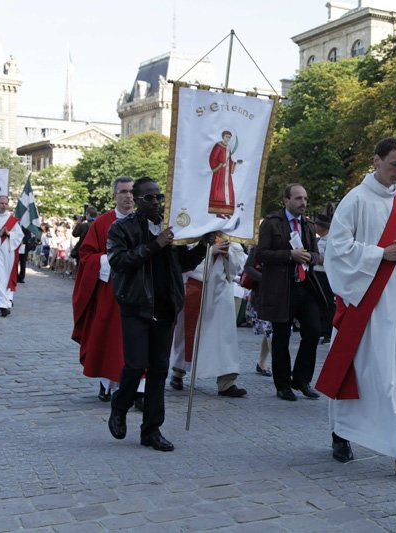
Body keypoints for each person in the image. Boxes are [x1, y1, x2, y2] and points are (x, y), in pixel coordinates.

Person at [316, 137, 396, 477]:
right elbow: (336, 248)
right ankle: (340, 433)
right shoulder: (355, 200)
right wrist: (380, 254)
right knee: (362, 372)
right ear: (376, 160)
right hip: (366, 302)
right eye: (393, 165)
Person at [106, 177, 214, 452]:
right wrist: (156, 244)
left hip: (165, 307)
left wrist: (202, 245)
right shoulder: (122, 228)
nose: (156, 203)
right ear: (137, 200)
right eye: (149, 198)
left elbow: (184, 263)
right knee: (135, 364)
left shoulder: (172, 228)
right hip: (136, 306)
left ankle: (151, 430)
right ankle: (120, 404)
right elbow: (119, 262)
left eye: (158, 197)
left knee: (159, 370)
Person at [254, 184, 326, 401]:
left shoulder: (308, 225)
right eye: (298, 198)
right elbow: (261, 254)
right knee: (281, 338)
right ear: (285, 200)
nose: (303, 203)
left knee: (313, 332)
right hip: (280, 289)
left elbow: (316, 255)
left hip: (305, 287)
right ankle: (283, 385)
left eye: (305, 198)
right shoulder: (272, 223)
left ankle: (302, 380)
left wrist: (309, 257)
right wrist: (289, 255)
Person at [72, 177, 135, 401]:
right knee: (111, 339)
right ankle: (107, 383)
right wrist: (113, 260)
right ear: (114, 195)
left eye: (131, 192)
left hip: (139, 291)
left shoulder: (144, 221)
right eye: (123, 192)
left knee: (135, 341)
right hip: (111, 291)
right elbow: (86, 255)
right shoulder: (102, 223)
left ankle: (137, 389)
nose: (128, 196)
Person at [169, 239, 248, 397]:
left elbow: (239, 264)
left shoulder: (229, 232)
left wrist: (227, 254)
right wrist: (209, 251)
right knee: (188, 332)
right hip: (195, 284)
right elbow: (184, 260)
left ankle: (226, 380)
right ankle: (179, 370)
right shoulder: (195, 226)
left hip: (220, 289)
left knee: (223, 335)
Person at [243, 246, 272, 377]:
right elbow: (248, 268)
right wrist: (267, 279)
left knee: (269, 333)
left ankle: (261, 362)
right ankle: (281, 366)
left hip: (281, 295)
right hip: (262, 296)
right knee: (271, 333)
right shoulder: (258, 247)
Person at [208, 130, 242, 216]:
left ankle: (225, 211)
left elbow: (229, 160)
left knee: (227, 191)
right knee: (218, 191)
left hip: (227, 173)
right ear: (223, 136)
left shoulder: (228, 148)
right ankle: (217, 212)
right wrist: (220, 165)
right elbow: (212, 158)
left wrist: (235, 163)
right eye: (226, 137)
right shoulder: (218, 146)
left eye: (229, 137)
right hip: (219, 172)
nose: (227, 139)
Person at [313, 213, 335, 344]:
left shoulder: (331, 240)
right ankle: (320, 330)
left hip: (325, 275)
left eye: (317, 224)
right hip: (316, 274)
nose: (315, 226)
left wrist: (314, 257)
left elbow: (329, 259)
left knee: (327, 303)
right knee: (317, 303)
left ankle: (327, 331)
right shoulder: (318, 240)